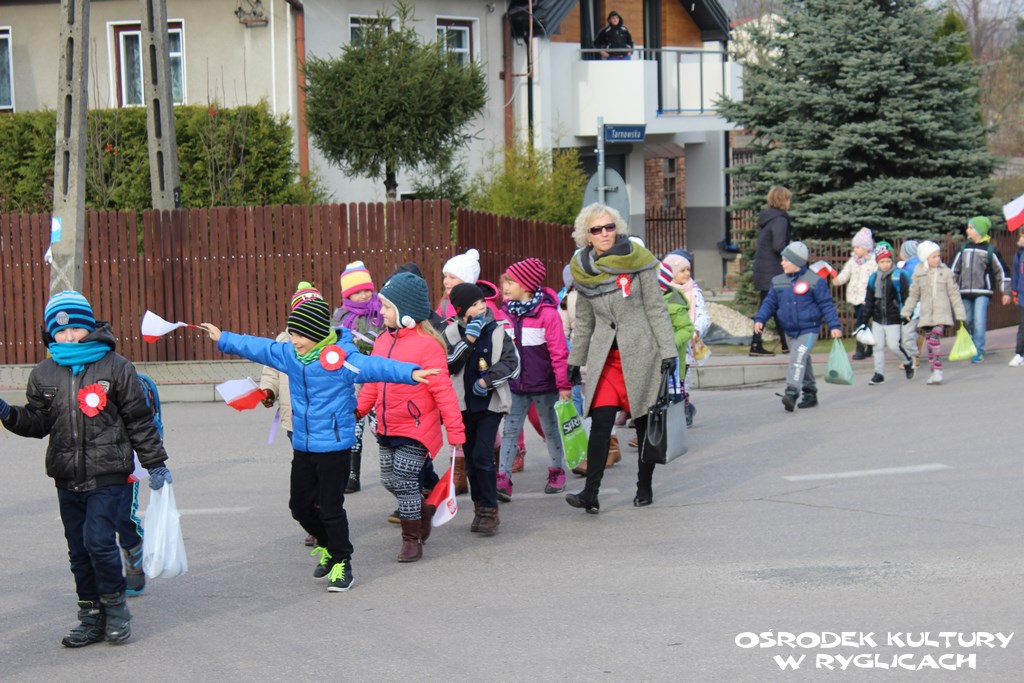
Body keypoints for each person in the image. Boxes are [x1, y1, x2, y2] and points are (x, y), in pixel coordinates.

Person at [199, 294, 437, 592]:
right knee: (299, 507)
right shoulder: (290, 355)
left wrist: (410, 373)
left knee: (331, 509)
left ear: (315, 333)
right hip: (304, 444)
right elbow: (259, 347)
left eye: (299, 335)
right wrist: (224, 339)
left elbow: (375, 366)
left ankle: (342, 563)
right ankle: (328, 546)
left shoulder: (341, 358)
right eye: (292, 334)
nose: (294, 340)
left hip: (335, 447)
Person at [0, 291, 170, 647]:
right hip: (67, 478)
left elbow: (138, 420)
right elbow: (37, 422)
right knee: (78, 550)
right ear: (51, 334)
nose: (69, 336)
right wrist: (8, 414)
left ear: (89, 326)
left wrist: (155, 464)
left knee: (99, 542)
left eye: (75, 328)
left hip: (109, 474)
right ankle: (90, 615)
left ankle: (116, 609)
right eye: (60, 331)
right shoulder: (43, 373)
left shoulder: (116, 367)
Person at [564, 203, 678, 513]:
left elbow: (656, 309)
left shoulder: (638, 261)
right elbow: (584, 321)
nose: (605, 233)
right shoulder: (582, 270)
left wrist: (668, 351)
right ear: (587, 235)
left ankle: (644, 485)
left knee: (643, 424)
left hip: (641, 353)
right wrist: (575, 359)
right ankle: (590, 493)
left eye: (609, 227)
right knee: (601, 424)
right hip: (606, 360)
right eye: (597, 229)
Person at [356, 272, 465, 562]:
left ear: (405, 312)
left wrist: (456, 432)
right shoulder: (382, 341)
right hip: (388, 425)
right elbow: (372, 383)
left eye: (387, 306)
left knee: (404, 479)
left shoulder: (428, 345)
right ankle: (422, 510)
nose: (381, 312)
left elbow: (444, 392)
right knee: (388, 480)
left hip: (417, 428)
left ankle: (411, 539)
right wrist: (358, 411)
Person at [442, 283, 520, 534]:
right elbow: (449, 365)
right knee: (472, 459)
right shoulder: (450, 333)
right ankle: (479, 508)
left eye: (482, 303)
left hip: (490, 405)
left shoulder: (497, 330)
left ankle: (489, 510)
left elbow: (512, 363)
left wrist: (488, 381)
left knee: (483, 456)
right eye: (474, 305)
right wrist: (469, 340)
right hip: (463, 407)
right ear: (461, 310)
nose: (481, 308)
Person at [495, 258, 572, 500]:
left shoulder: (547, 315)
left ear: (526, 286)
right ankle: (503, 478)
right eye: (505, 281)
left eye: (511, 282)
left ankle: (556, 471)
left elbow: (559, 352)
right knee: (510, 430)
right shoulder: (505, 314)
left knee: (550, 428)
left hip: (544, 385)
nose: (505, 286)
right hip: (515, 385)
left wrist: (563, 385)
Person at [261, 282, 321, 546]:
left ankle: (322, 517)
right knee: (305, 472)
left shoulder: (327, 343)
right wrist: (268, 392)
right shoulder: (284, 341)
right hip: (293, 419)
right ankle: (313, 518)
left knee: (321, 471)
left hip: (320, 419)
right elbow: (271, 372)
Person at [753, 242, 843, 411]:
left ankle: (791, 392)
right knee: (802, 359)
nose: (782, 263)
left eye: (786, 260)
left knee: (798, 356)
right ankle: (810, 392)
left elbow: (826, 305)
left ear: (797, 262)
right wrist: (760, 319)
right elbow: (769, 303)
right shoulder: (778, 281)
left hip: (809, 329)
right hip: (790, 330)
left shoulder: (814, 281)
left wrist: (834, 326)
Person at [332, 261, 387, 494]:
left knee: (380, 424)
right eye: (357, 291)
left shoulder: (380, 312)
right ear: (347, 294)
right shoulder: (340, 317)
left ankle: (391, 467)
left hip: (376, 377)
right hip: (351, 380)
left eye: (367, 289)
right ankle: (352, 473)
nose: (364, 295)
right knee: (354, 426)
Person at [902, 241, 967, 385]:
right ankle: (934, 370)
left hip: (941, 314)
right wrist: (907, 311)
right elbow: (913, 295)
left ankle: (938, 371)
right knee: (930, 345)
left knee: (933, 339)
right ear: (925, 258)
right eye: (934, 257)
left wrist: (960, 313)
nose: (937, 259)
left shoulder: (946, 272)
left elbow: (954, 294)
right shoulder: (918, 274)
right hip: (926, 316)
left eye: (938, 256)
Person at [950, 216, 1011, 363]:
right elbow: (953, 270)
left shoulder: (990, 250)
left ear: (980, 231)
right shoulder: (963, 248)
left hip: (983, 292)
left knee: (979, 320)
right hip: (964, 291)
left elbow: (1001, 271)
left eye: (971, 228)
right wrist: (950, 288)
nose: (967, 230)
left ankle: (978, 350)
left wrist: (1005, 292)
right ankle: (971, 342)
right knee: (968, 319)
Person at [664, 250, 709, 427]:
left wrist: (696, 329)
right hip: (670, 341)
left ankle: (685, 406)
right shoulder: (665, 291)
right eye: (681, 270)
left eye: (688, 270)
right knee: (671, 379)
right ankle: (681, 406)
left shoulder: (694, 292)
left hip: (687, 341)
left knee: (683, 376)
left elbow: (702, 314)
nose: (686, 274)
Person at [862, 242, 914, 385]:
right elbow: (869, 300)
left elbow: (905, 297)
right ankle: (878, 374)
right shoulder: (874, 278)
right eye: (882, 262)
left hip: (894, 317)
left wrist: (906, 314)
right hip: (878, 318)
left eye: (888, 261)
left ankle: (907, 362)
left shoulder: (899, 276)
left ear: (892, 260)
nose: (885, 264)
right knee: (877, 346)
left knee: (893, 345)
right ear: (877, 262)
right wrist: (864, 320)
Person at [750, 186, 792, 356]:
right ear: (782, 200)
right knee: (770, 308)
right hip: (773, 270)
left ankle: (785, 344)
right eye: (788, 199)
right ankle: (756, 344)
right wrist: (792, 256)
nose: (789, 202)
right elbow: (778, 245)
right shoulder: (780, 220)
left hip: (764, 269)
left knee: (774, 307)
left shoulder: (767, 218)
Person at [834, 227, 878, 360]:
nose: (855, 249)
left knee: (861, 322)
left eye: (858, 247)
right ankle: (869, 347)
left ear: (866, 248)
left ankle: (860, 349)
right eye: (854, 247)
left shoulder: (873, 262)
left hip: (867, 297)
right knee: (863, 322)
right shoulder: (853, 261)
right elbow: (845, 273)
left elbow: (876, 278)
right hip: (855, 297)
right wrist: (838, 280)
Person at [897, 240, 923, 369]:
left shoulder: (908, 268)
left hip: (911, 305)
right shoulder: (921, 264)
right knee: (909, 331)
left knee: (906, 332)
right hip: (920, 304)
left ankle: (913, 358)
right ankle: (917, 340)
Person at [1010, 229, 1024, 368]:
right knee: (1023, 325)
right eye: (1021, 235)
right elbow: (1015, 274)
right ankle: (1020, 354)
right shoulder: (1020, 253)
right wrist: (1014, 291)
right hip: (1023, 294)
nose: (1021, 238)